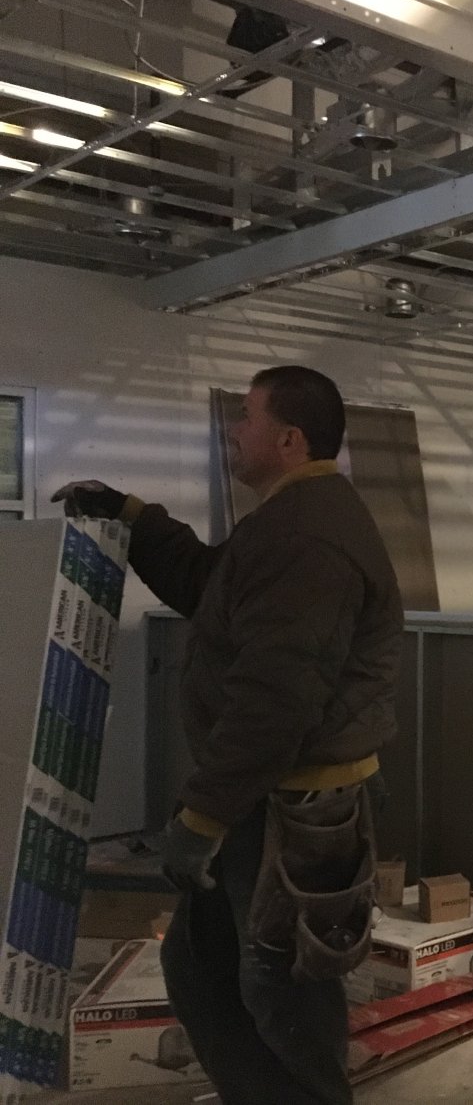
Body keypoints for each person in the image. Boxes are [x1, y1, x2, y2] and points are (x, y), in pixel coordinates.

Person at [54, 366, 402, 1105]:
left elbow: (275, 701)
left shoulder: (309, 537)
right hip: (259, 802)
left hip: (290, 814)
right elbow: (211, 582)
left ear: (288, 437)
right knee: (201, 968)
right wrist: (132, 514)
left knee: (284, 993)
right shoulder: (286, 520)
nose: (232, 430)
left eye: (245, 417)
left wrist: (200, 817)